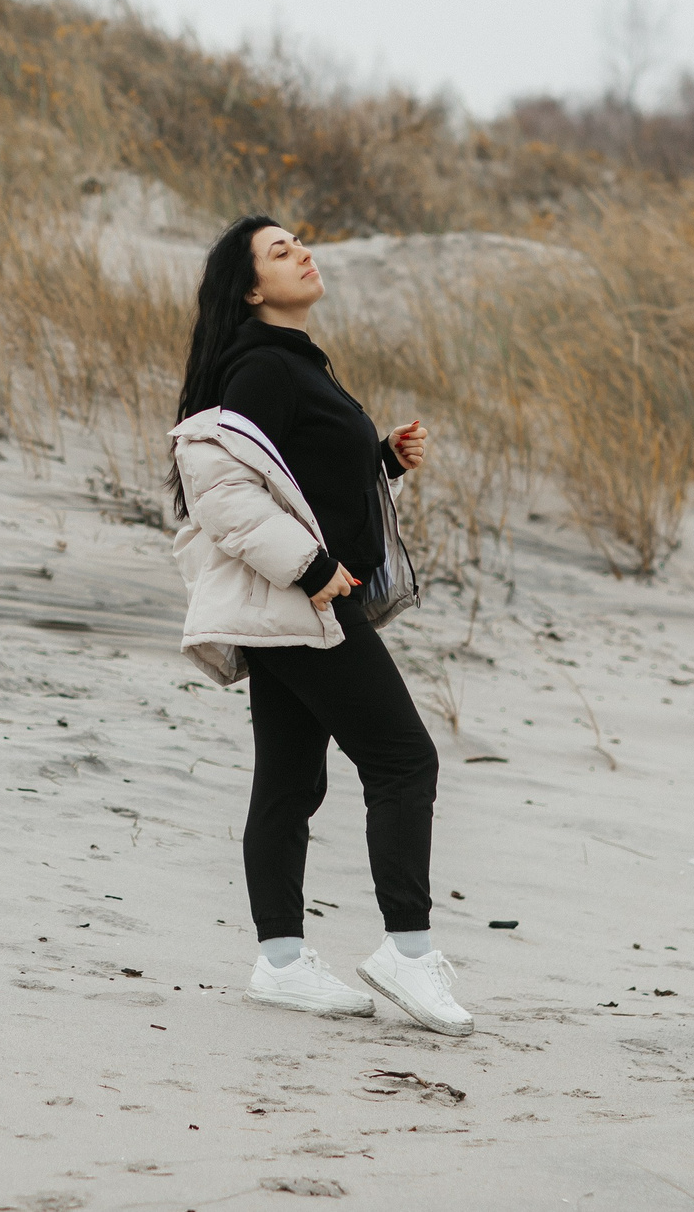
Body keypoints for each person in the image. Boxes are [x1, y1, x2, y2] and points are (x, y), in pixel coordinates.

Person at [165, 215, 469, 1036]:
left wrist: (381, 460)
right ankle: (407, 953)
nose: (301, 250)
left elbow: (296, 481)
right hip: (301, 605)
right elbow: (223, 488)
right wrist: (307, 568)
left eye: (299, 239)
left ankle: (283, 962)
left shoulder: (297, 365)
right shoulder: (263, 367)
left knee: (292, 780)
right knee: (405, 759)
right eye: (279, 249)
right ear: (254, 288)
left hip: (299, 602)